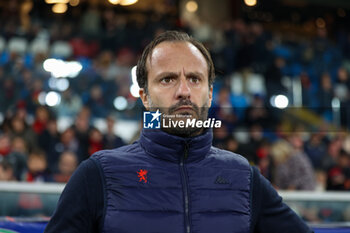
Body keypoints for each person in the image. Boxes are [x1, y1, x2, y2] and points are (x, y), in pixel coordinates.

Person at [45, 31, 313, 233]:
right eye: (167, 79)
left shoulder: (243, 176)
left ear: (209, 93)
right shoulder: (97, 174)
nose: (184, 91)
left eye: (194, 79)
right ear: (145, 97)